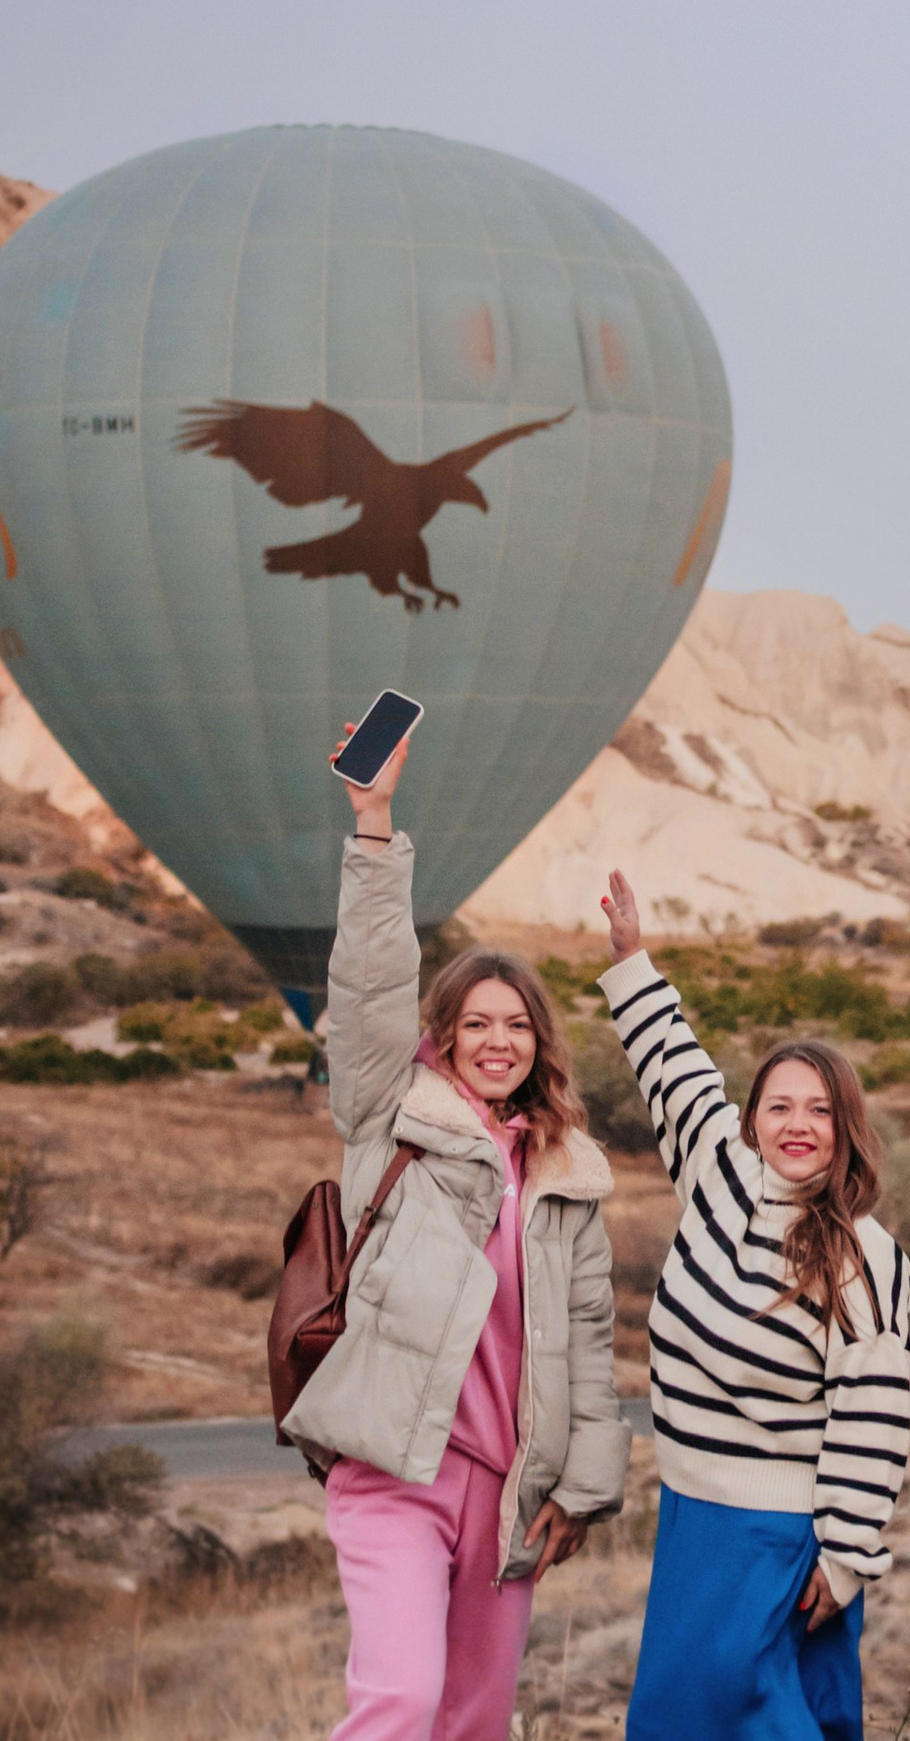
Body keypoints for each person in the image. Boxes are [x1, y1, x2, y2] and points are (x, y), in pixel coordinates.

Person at [282, 723, 628, 1741]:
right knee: (398, 1700)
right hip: (394, 1463)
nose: (497, 1041)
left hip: (510, 1486)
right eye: (476, 1022)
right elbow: (369, 989)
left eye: (516, 1025)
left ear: (539, 1046)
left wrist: (584, 1489)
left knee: (474, 1720)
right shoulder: (392, 1113)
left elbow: (590, 1343)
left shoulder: (567, 1177)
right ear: (443, 1034)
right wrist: (376, 829)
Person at [597, 869, 910, 1741]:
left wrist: (846, 1559)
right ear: (753, 1119)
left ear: (846, 1125)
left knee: (740, 1724)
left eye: (819, 1109)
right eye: (779, 1106)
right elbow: (673, 1066)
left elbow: (874, 1420)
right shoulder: (719, 1173)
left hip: (781, 1539)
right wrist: (632, 961)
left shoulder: (865, 1258)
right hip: (694, 1515)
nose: (798, 1124)